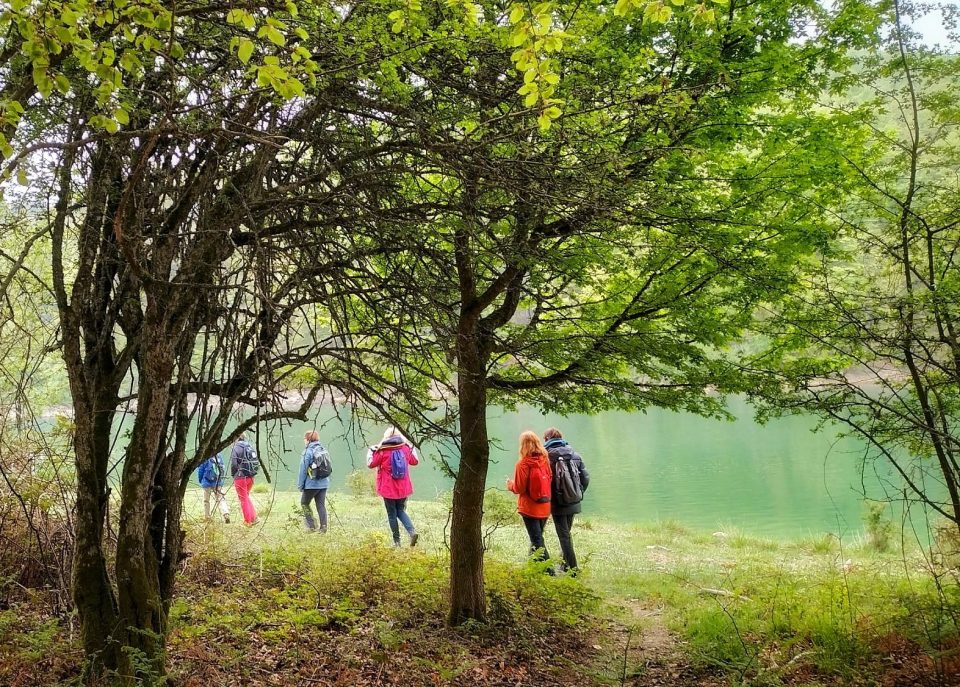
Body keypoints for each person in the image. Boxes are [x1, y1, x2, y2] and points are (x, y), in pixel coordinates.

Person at [543, 428, 590, 573]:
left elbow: (545, 480)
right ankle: (565, 565)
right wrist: (578, 492)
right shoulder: (575, 455)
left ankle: (573, 569)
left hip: (557, 502)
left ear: (547, 439)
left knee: (564, 535)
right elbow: (585, 478)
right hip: (573, 501)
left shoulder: (546, 457)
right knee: (566, 533)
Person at [506, 431, 553, 569]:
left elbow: (519, 488)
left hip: (530, 508)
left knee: (537, 540)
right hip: (545, 506)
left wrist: (510, 484)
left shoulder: (523, 464)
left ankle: (549, 571)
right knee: (537, 538)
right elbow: (550, 478)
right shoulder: (545, 460)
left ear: (522, 445)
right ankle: (533, 569)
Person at [367, 427, 419, 547]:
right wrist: (411, 446)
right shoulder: (405, 448)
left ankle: (397, 542)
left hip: (388, 488)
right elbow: (415, 461)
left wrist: (371, 451)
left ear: (386, 437)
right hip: (403, 487)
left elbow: (370, 464)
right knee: (400, 510)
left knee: (392, 514)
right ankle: (412, 532)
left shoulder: (382, 451)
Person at [298, 430, 331, 533]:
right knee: (320, 504)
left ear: (308, 439)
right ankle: (323, 527)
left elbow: (303, 469)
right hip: (324, 483)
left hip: (311, 484)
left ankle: (311, 526)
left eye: (304, 438)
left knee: (304, 503)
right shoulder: (323, 449)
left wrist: (300, 484)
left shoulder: (308, 451)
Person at [230, 434, 259, 525]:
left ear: (237, 438)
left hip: (241, 477)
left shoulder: (236, 448)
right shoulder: (249, 446)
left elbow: (234, 464)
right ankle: (254, 518)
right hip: (251, 477)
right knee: (246, 497)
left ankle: (247, 521)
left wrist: (233, 474)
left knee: (243, 499)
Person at [197, 452, 230, 524]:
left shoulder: (204, 455)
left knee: (206, 500)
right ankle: (226, 514)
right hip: (217, 481)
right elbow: (222, 468)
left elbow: (200, 470)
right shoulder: (218, 455)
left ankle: (207, 517)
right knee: (220, 498)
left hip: (207, 482)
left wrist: (200, 480)